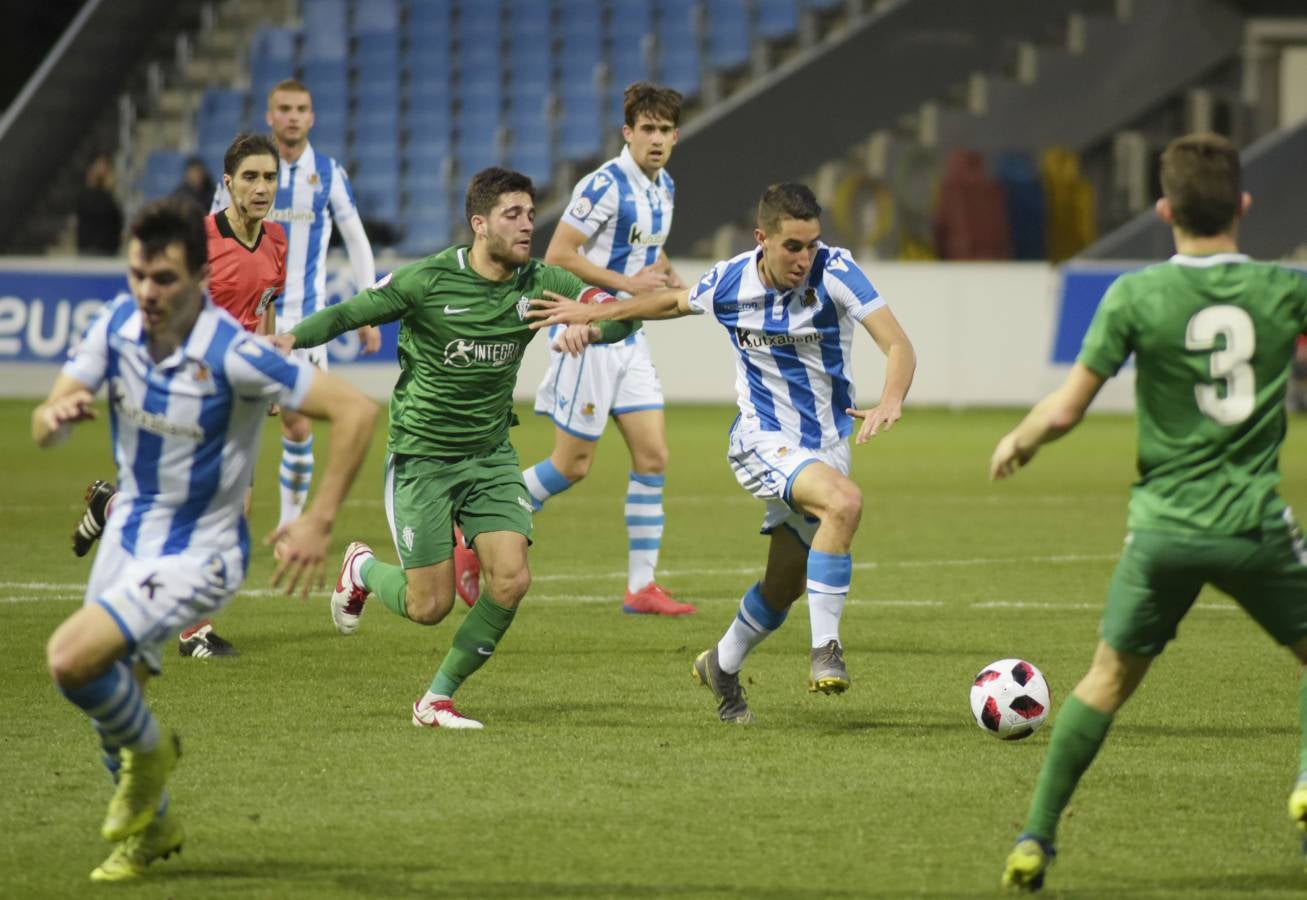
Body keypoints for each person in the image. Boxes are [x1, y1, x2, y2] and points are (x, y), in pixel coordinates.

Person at [988, 132, 1307, 893]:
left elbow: (1066, 410)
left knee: (1105, 679)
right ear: (1241, 204)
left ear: (1163, 209)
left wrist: (1020, 439)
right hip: (1251, 524)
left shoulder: (1132, 295)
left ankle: (1035, 837)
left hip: (1161, 530)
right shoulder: (1285, 288)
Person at [35, 198, 376, 882]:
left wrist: (318, 518)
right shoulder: (116, 325)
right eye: (137, 276)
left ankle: (153, 755)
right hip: (128, 537)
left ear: (197, 275)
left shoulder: (235, 353)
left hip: (203, 553)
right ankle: (153, 827)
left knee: (70, 660)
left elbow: (356, 408)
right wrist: (57, 414)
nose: (146, 292)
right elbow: (48, 419)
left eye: (162, 279)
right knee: (114, 689)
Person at [529, 183, 916, 723]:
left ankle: (722, 664)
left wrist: (891, 398)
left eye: (812, 245)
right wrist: (592, 314)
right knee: (844, 504)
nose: (805, 258)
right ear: (762, 239)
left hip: (826, 446)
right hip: (761, 439)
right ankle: (827, 648)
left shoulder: (838, 272)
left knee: (783, 586)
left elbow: (896, 343)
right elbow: (668, 301)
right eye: (793, 247)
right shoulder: (731, 279)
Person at [269, 167, 637, 729]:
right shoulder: (428, 280)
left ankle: (435, 699)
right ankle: (362, 569)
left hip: (490, 456)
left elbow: (618, 316)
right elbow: (350, 313)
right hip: (422, 459)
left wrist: (591, 323)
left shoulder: (540, 281)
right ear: (479, 223)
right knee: (428, 607)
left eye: (530, 215)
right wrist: (290, 339)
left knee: (511, 579)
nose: (526, 227)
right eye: (512, 216)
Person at [71, 133, 288, 659]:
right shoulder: (200, 242)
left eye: (270, 177)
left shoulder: (278, 239)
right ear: (228, 183)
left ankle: (114, 504)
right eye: (251, 177)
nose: (261, 188)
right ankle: (194, 629)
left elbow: (265, 306)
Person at [521, 82, 694, 616]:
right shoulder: (603, 185)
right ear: (628, 133)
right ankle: (473, 523)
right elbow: (559, 253)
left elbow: (650, 248)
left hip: (630, 334)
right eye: (648, 129)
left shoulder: (664, 187)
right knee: (571, 465)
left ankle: (641, 586)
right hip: (588, 333)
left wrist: (667, 276)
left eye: (666, 130)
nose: (658, 139)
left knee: (653, 455)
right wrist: (628, 282)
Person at [212, 79, 382, 532]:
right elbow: (212, 239)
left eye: (300, 108)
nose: (292, 116)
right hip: (245, 325)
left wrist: (367, 307)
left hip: (303, 323)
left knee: (297, 426)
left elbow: (357, 239)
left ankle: (289, 525)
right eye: (283, 108)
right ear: (270, 116)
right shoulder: (242, 175)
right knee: (221, 429)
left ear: (312, 117)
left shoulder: (327, 173)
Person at [76, 153, 123, 256]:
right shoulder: (87, 197)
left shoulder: (109, 200)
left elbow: (117, 221)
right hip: (90, 251)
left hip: (108, 252)